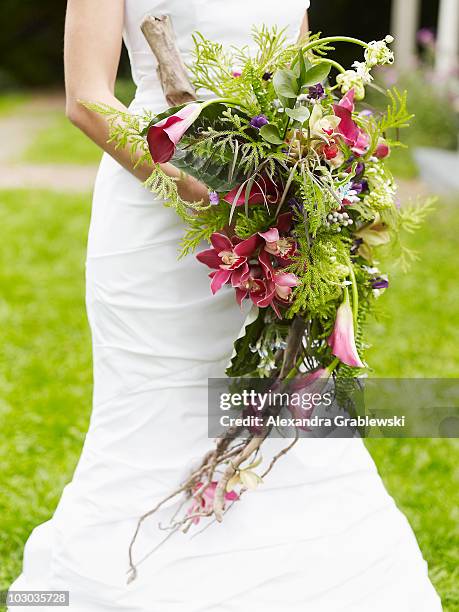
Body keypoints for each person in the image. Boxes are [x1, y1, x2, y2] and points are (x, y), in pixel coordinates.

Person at [9, 1, 443, 610]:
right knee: (153, 409)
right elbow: (86, 97)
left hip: (274, 205)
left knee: (288, 402)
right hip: (156, 218)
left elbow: (301, 72)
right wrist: (192, 181)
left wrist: (317, 173)